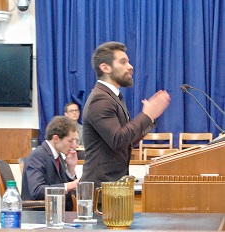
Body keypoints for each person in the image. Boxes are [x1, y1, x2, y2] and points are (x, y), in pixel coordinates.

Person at [80, 41, 170, 190]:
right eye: (123, 62)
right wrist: (146, 115)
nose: (130, 66)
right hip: (101, 192)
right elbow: (118, 140)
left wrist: (150, 118)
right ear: (105, 67)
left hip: (112, 189)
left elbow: (126, 141)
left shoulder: (113, 97)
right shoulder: (100, 99)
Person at [21, 116, 79, 211]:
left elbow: (66, 189)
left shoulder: (57, 155)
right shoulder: (38, 156)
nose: (74, 145)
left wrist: (71, 168)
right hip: (39, 216)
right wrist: (71, 185)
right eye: (70, 141)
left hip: (55, 211)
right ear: (56, 138)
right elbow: (36, 191)